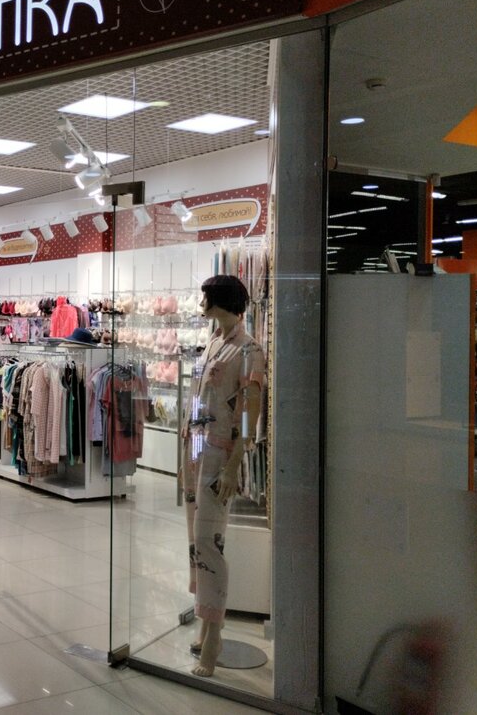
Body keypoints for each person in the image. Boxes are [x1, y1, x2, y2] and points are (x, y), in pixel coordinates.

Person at [181, 274, 265, 677]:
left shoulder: (249, 350)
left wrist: (235, 463)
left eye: (207, 297)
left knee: (208, 542)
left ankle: (214, 636)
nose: (202, 303)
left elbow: (250, 412)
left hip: (219, 453)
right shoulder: (214, 341)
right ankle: (205, 621)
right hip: (196, 448)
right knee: (195, 542)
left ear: (221, 300)